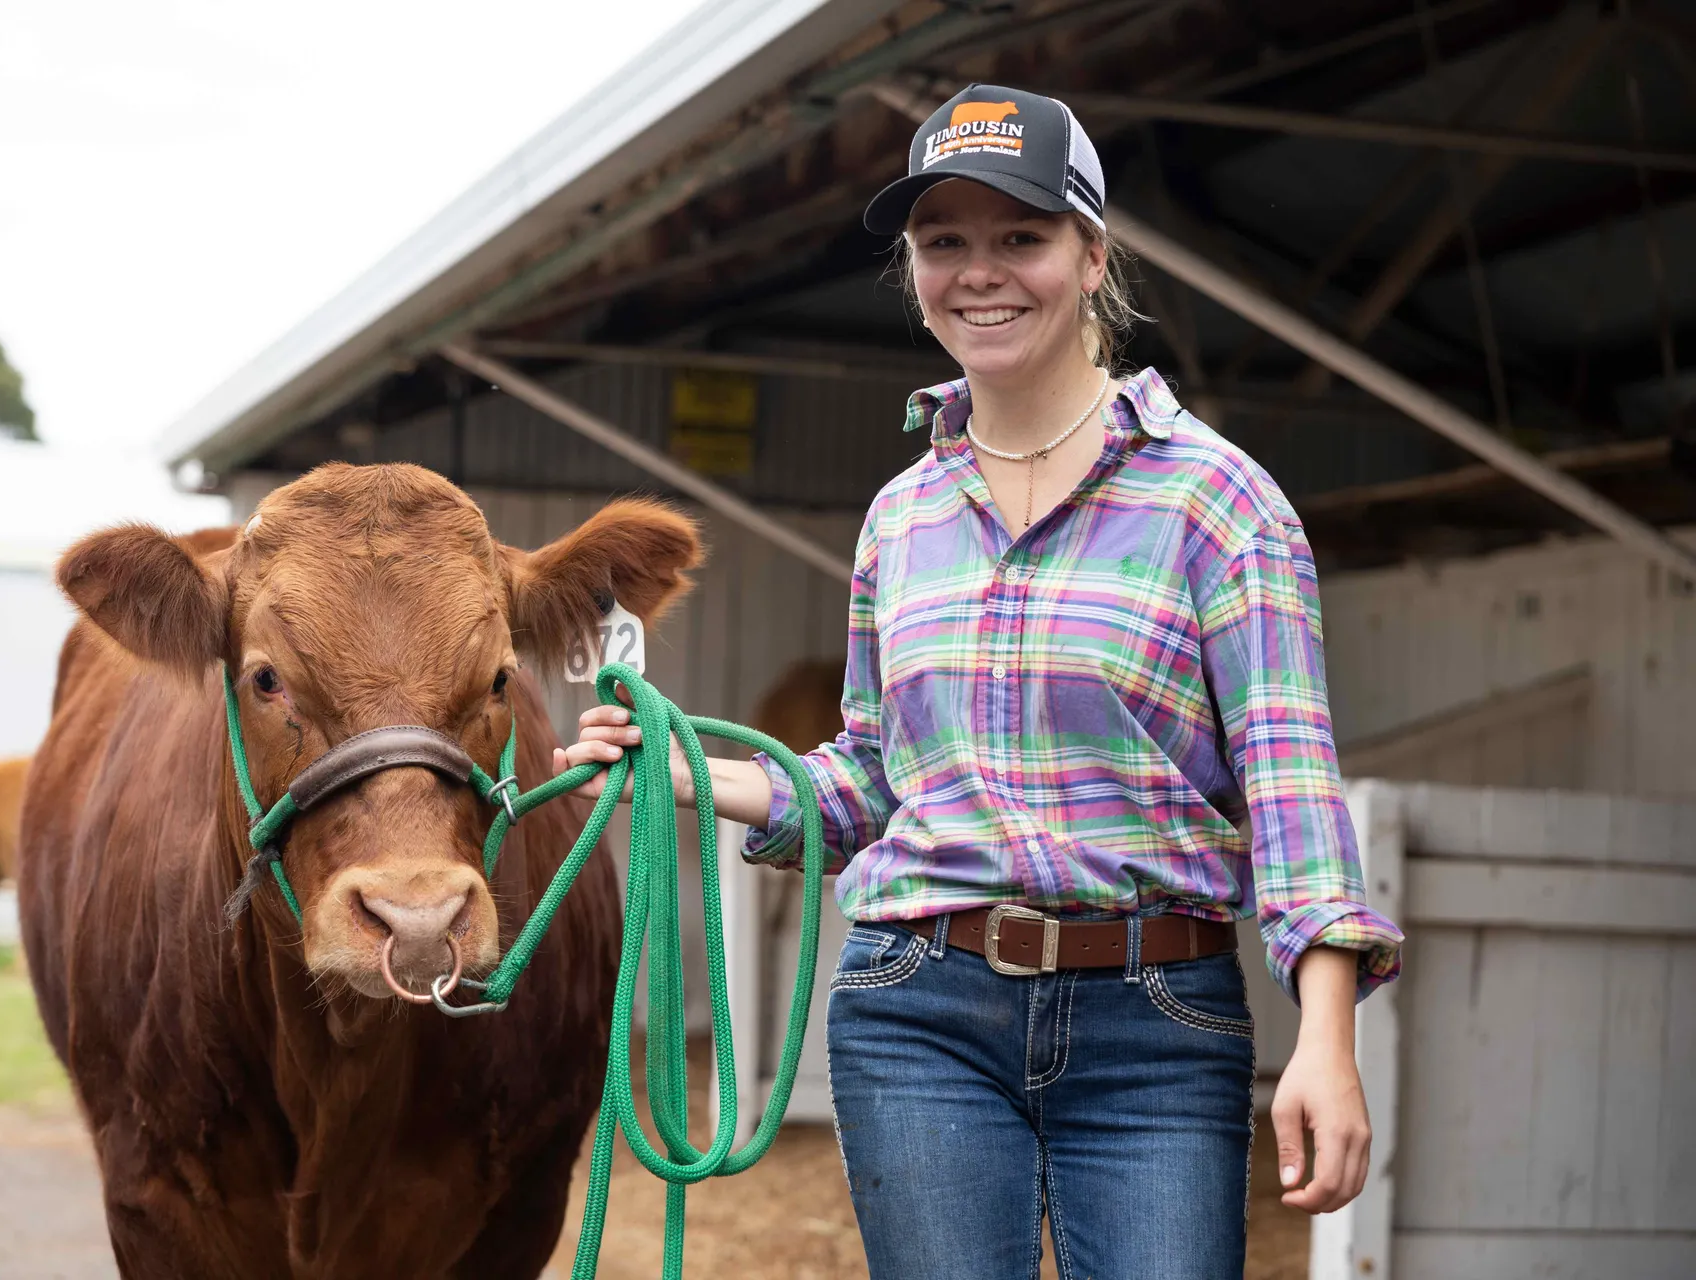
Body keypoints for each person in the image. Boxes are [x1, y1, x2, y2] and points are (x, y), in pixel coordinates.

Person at [554, 84, 1403, 1280]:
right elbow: (871, 780)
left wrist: (1327, 1036)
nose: (981, 272)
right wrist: (685, 774)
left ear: (1090, 253)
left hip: (1155, 1019)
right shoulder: (901, 517)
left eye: (1021, 236)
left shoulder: (1219, 501)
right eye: (943, 241)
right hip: (919, 1007)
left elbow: (1294, 792)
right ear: (912, 268)